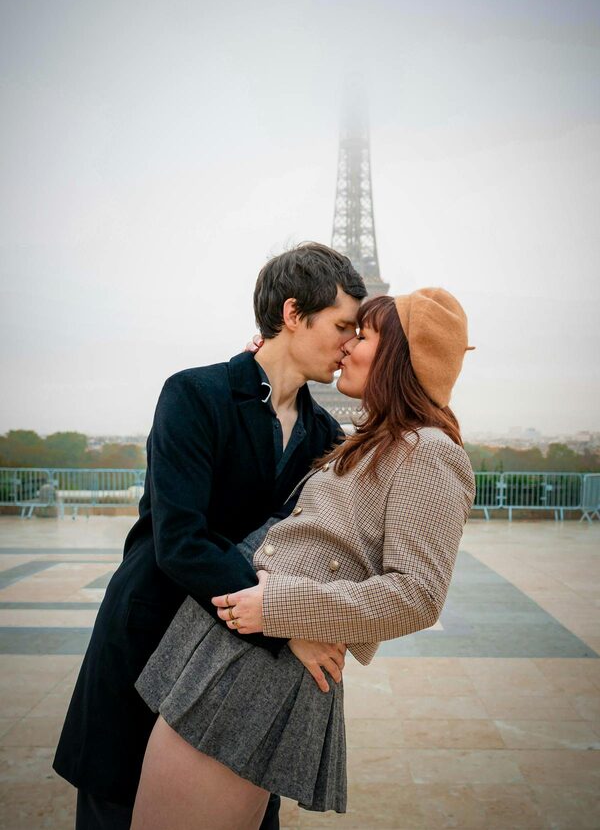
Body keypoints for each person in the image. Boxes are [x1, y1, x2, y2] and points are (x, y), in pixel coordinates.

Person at [131, 288, 476, 830]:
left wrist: (278, 608)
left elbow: (419, 596)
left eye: (363, 336)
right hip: (241, 656)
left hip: (256, 672)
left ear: (399, 358)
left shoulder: (429, 452)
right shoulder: (369, 441)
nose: (347, 346)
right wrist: (266, 360)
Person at [53, 242, 367, 830]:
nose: (350, 343)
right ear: (293, 314)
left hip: (232, 671)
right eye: (343, 325)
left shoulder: (325, 434)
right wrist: (285, 620)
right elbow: (181, 543)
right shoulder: (193, 394)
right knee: (118, 811)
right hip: (151, 636)